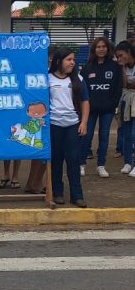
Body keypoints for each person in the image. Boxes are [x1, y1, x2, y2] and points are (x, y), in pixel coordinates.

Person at [49, 47, 89, 207]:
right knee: (56, 160)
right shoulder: (47, 78)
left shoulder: (78, 79)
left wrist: (84, 122)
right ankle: (57, 193)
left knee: (73, 160)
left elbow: (85, 101)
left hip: (73, 125)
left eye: (73, 59)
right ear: (59, 61)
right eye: (69, 59)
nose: (73, 62)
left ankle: (77, 195)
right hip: (54, 125)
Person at [80, 37, 122, 178]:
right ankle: (81, 164)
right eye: (98, 47)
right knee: (86, 136)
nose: (101, 49)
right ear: (94, 49)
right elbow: (82, 89)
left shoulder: (115, 67)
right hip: (90, 110)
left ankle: (101, 165)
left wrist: (113, 104)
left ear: (108, 49)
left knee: (104, 137)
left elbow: (118, 88)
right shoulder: (87, 67)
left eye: (104, 46)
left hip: (107, 110)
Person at [115, 41, 135, 176]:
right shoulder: (122, 67)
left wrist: (130, 85)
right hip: (126, 100)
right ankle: (128, 162)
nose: (119, 59)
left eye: (121, 55)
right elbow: (124, 84)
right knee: (126, 133)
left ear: (129, 52)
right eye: (117, 56)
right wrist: (121, 68)